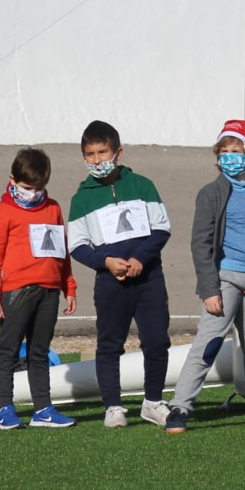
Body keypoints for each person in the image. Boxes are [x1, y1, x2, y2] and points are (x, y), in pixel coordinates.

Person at [167, 121, 245, 432]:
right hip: (224, 281)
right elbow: (200, 243)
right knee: (207, 346)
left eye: (237, 151)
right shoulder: (211, 193)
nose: (230, 157)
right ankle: (179, 408)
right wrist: (210, 289)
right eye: (224, 152)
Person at [68, 120, 171, 429]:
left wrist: (141, 257)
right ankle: (113, 406)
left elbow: (162, 228)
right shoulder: (81, 198)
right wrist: (106, 262)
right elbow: (77, 245)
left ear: (118, 152)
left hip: (149, 278)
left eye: (103, 152)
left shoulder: (142, 186)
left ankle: (153, 402)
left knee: (155, 341)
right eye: (90, 154)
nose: (97, 160)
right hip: (109, 281)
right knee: (110, 344)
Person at [0, 145, 78, 430]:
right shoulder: (2, 213)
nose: (33, 192)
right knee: (8, 351)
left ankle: (43, 409)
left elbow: (61, 250)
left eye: (39, 187)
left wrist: (69, 286)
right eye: (27, 186)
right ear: (12, 178)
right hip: (16, 292)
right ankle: (4, 409)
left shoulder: (53, 208)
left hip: (49, 290)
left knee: (39, 352)